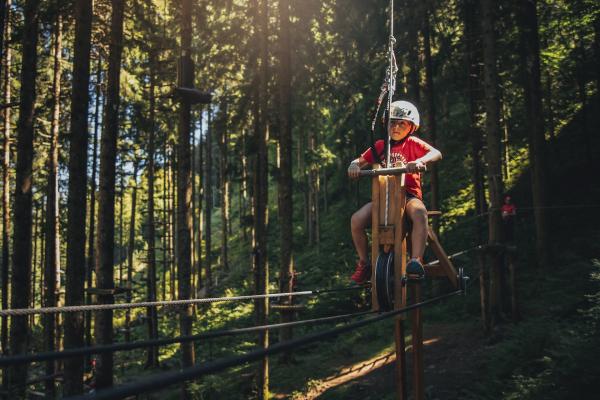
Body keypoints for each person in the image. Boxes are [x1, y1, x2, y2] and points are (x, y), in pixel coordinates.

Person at [347, 100, 442, 284]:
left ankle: (416, 261)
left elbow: (436, 153)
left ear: (411, 127)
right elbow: (360, 161)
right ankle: (364, 263)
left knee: (419, 213)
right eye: (392, 122)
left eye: (402, 123)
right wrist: (354, 165)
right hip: (383, 198)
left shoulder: (412, 143)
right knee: (356, 220)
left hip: (408, 196)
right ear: (386, 124)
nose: (396, 127)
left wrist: (421, 161)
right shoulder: (381, 146)